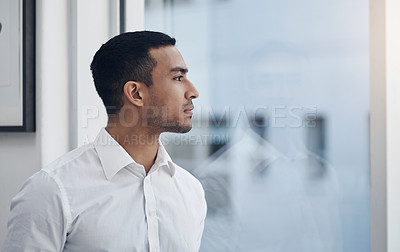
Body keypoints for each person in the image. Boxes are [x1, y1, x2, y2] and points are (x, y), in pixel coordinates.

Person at [2, 31, 207, 252]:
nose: (193, 92)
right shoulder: (51, 191)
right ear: (136, 93)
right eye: (178, 78)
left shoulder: (190, 191)